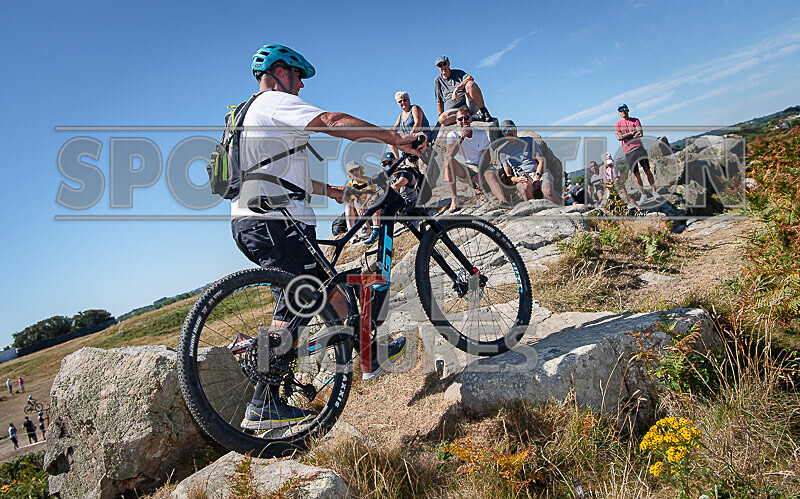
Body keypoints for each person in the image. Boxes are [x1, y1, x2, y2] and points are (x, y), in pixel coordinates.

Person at [232, 44, 424, 429]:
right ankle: (263, 404)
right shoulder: (272, 101)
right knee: (296, 307)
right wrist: (395, 138)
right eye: (299, 76)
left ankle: (369, 355)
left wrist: (335, 193)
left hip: (265, 220)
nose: (301, 85)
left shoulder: (249, 115)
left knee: (329, 290)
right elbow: (333, 121)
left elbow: (279, 173)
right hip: (275, 222)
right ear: (279, 71)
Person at [444, 108, 511, 213]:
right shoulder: (453, 135)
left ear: (470, 119)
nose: (463, 121)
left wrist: (480, 172)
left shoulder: (480, 133)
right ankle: (454, 199)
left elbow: (487, 156)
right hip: (465, 168)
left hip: (481, 165)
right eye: (460, 119)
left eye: (466, 118)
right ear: (456, 121)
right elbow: (450, 154)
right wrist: (461, 138)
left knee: (490, 174)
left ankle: (503, 201)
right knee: (448, 161)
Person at [496, 120, 560, 205]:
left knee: (548, 192)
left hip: (539, 173)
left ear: (516, 128)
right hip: (523, 178)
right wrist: (517, 179)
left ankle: (562, 212)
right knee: (525, 190)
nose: (509, 132)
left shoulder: (529, 141)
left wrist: (537, 177)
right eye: (505, 131)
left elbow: (541, 160)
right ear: (503, 134)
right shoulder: (502, 152)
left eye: (511, 128)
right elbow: (508, 176)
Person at [615, 104, 660, 204]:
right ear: (619, 112)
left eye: (624, 109)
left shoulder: (635, 120)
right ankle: (643, 194)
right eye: (621, 110)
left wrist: (625, 136)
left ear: (628, 110)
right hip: (628, 152)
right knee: (636, 174)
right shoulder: (618, 125)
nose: (623, 111)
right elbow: (619, 137)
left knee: (647, 170)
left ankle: (654, 191)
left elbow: (640, 133)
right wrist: (631, 133)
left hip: (639, 148)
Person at [433, 56, 493, 125]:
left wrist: (457, 89)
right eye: (440, 65)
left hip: (469, 106)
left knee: (470, 84)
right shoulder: (438, 80)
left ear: (448, 63)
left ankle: (484, 112)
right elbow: (439, 101)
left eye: (444, 64)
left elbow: (470, 78)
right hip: (456, 111)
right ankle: (471, 117)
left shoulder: (458, 73)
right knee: (442, 119)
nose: (443, 67)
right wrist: (440, 117)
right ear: (437, 67)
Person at [344, 160, 380, 245]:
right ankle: (352, 233)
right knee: (350, 203)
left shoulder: (367, 180)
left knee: (366, 201)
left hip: (371, 208)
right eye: (352, 171)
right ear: (349, 174)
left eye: (356, 169)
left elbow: (372, 195)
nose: (355, 172)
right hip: (359, 213)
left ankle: (370, 228)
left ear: (360, 169)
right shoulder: (349, 184)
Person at [390, 91, 431, 160]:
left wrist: (409, 138)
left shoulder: (415, 108)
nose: (403, 102)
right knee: (390, 139)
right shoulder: (401, 116)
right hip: (410, 139)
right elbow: (394, 129)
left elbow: (417, 124)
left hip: (420, 136)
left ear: (409, 100)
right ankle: (397, 161)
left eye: (404, 100)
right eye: (400, 101)